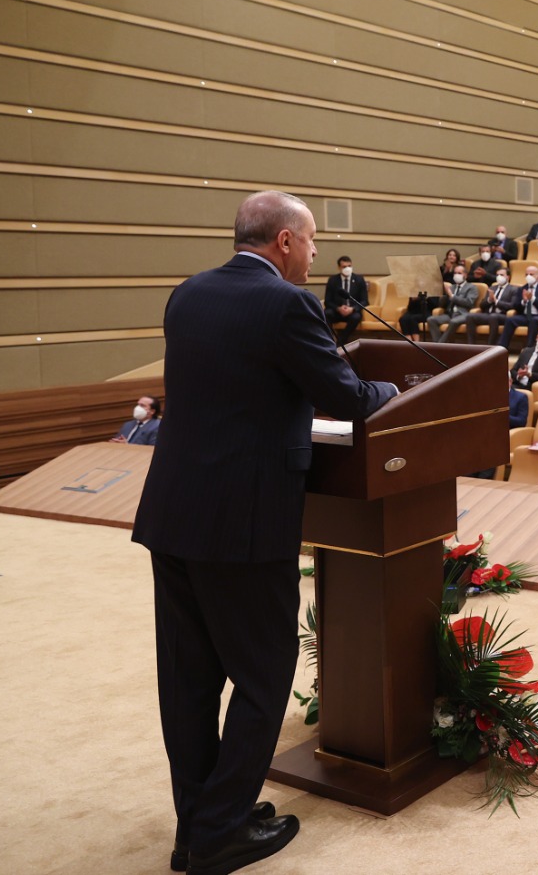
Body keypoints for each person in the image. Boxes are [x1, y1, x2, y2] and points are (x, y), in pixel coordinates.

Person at [133, 191, 398, 874]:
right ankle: (218, 833)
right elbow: (345, 395)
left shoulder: (188, 294)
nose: (314, 254)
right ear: (284, 241)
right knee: (263, 675)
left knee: (189, 682)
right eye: (310, 241)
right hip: (243, 525)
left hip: (174, 515)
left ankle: (197, 826)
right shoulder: (286, 304)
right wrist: (395, 393)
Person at [321, 256, 367, 343]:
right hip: (337, 311)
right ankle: (330, 340)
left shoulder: (359, 280)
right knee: (326, 314)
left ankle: (341, 341)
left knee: (356, 317)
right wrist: (338, 308)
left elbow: (364, 301)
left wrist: (352, 309)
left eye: (349, 266)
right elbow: (328, 301)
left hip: (352, 312)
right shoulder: (333, 280)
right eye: (344, 266)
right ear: (339, 267)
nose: (347, 268)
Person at [425, 272, 479, 343]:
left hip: (463, 314)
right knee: (431, 319)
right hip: (450, 314)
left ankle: (440, 344)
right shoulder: (451, 287)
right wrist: (444, 294)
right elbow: (441, 304)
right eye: (455, 273)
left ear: (465, 275)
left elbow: (469, 302)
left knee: (453, 321)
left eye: (459, 273)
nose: (456, 275)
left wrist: (452, 296)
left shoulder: (472, 287)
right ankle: (438, 344)